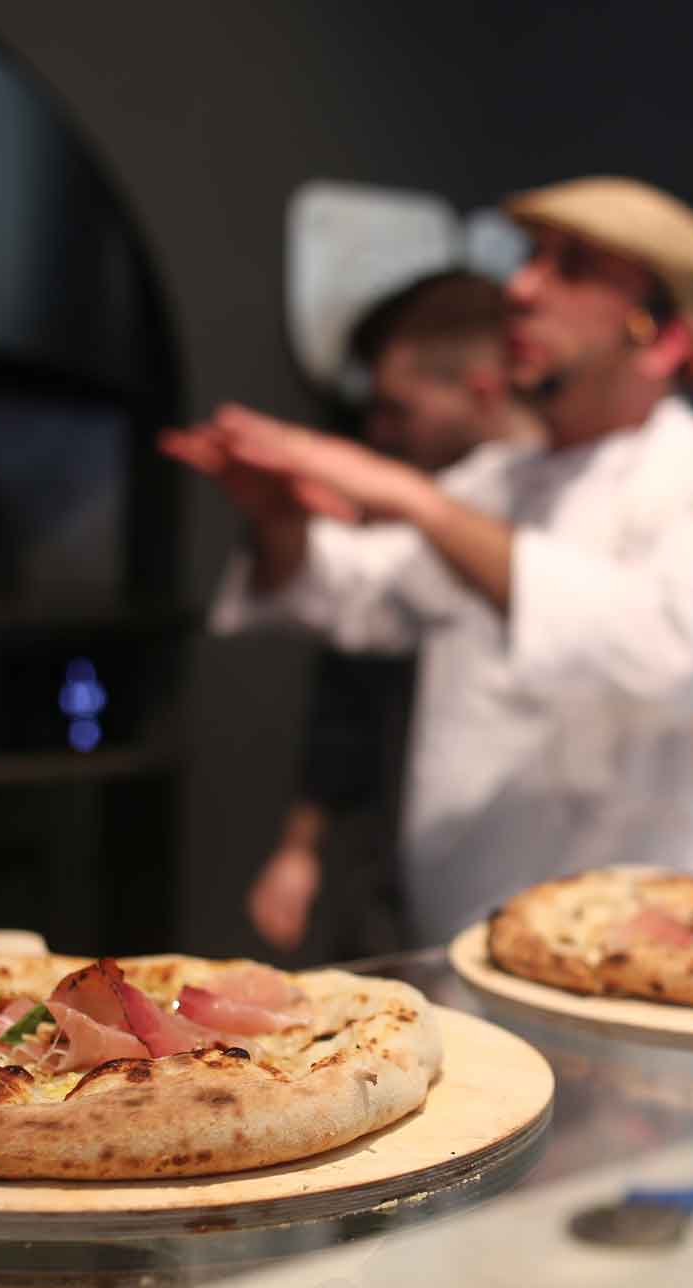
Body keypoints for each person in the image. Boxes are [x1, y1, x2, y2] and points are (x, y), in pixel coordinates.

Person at [162, 176, 693, 945]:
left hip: (646, 979)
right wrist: (279, 518)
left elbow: (664, 646)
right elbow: (353, 595)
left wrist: (421, 502)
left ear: (663, 336)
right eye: (530, 258)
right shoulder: (491, 484)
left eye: (571, 268)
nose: (522, 287)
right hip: (464, 946)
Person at [246, 269, 543, 956]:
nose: (381, 433)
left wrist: (413, 500)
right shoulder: (434, 500)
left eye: (396, 409)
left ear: (485, 385)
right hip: (407, 858)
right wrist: (300, 844)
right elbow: (346, 660)